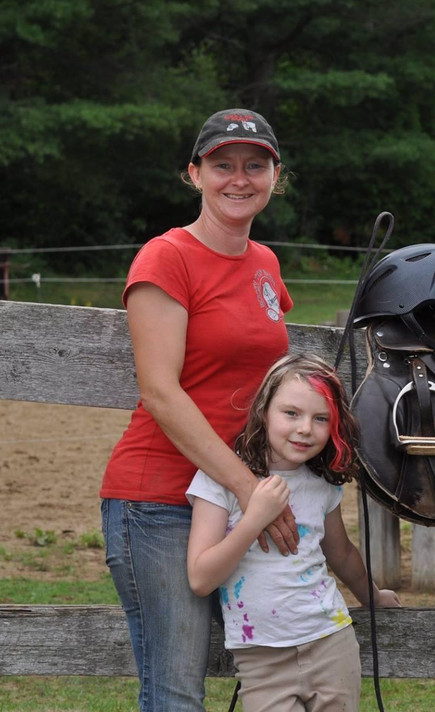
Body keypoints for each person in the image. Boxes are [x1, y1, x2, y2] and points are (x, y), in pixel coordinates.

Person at [100, 108, 301, 711]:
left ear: (275, 175)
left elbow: (272, 380)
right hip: (160, 501)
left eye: (255, 165)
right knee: (177, 688)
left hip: (235, 501)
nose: (239, 179)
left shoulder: (265, 263)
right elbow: (162, 392)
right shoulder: (167, 259)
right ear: (194, 174)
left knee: (274, 671)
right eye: (222, 165)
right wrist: (248, 489)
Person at [187, 352, 402, 712]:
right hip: (261, 657)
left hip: (331, 642)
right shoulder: (220, 479)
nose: (305, 428)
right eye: (291, 413)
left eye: (321, 419)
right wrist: (255, 517)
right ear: (263, 411)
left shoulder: (321, 484)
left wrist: (372, 596)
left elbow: (342, 553)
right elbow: (200, 578)